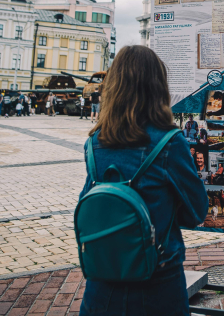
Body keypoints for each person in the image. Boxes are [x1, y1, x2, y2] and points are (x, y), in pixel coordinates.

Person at [78, 45, 207, 316]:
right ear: (157, 87)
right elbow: (196, 212)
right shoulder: (169, 141)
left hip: (103, 281)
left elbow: (88, 208)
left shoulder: (95, 142)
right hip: (157, 283)